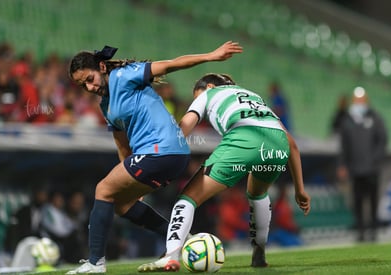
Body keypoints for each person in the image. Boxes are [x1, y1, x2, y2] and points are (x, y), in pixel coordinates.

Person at [65, 41, 243, 274]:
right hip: (166, 156)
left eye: (89, 79)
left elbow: (171, 65)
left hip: (160, 151)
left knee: (102, 190)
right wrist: (129, 182)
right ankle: (181, 239)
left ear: (102, 66)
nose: (88, 88)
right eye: (82, 85)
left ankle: (95, 263)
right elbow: (122, 145)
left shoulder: (124, 75)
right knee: (121, 203)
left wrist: (211, 56)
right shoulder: (106, 105)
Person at [138, 73, 311, 272]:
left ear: (209, 86)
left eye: (197, 96)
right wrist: (300, 189)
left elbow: (184, 126)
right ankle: (259, 254)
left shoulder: (208, 94)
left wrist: (155, 164)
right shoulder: (254, 97)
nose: (197, 101)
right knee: (257, 193)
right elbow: (292, 145)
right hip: (277, 145)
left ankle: (170, 256)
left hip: (244, 139)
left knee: (187, 198)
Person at [336, 86, 388, 242]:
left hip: (372, 168)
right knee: (357, 200)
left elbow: (382, 139)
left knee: (373, 199)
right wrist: (343, 164)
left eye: (362, 100)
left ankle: (373, 229)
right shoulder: (347, 121)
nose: (359, 103)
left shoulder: (375, 118)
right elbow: (344, 146)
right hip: (355, 168)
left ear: (366, 101)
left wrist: (375, 159)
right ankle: (360, 230)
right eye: (357, 100)